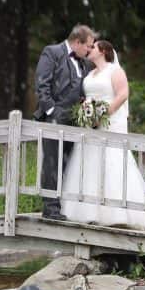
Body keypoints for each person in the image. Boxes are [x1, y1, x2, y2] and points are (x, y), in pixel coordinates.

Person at [61, 40, 145, 235]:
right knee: (91, 163)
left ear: (103, 51)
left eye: (93, 47)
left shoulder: (115, 71)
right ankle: (90, 211)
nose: (90, 50)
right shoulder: (91, 74)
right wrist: (86, 111)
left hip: (109, 123)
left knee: (113, 162)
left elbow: (122, 95)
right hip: (92, 126)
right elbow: (87, 97)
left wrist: (102, 114)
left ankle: (118, 213)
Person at [34, 24, 95, 220]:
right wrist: (52, 111)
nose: (89, 50)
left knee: (69, 164)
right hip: (54, 119)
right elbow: (42, 84)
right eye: (88, 46)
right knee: (52, 163)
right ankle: (50, 209)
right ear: (77, 42)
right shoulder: (52, 52)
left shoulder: (85, 64)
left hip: (75, 122)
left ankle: (65, 208)